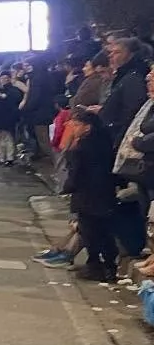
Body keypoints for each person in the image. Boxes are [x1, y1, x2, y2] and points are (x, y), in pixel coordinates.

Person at [62, 108, 120, 282]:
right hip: (104, 193)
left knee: (90, 232)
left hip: (87, 195)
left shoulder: (83, 147)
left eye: (77, 125)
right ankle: (108, 265)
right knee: (102, 230)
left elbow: (76, 173)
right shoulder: (104, 141)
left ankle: (95, 266)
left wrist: (68, 187)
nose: (74, 128)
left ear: (88, 127)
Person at [101, 38, 154, 145]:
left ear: (131, 54)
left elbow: (132, 111)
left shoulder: (134, 77)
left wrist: (118, 133)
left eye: (117, 52)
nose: (111, 56)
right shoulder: (125, 75)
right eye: (111, 52)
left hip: (124, 138)